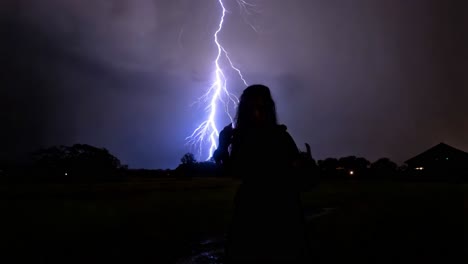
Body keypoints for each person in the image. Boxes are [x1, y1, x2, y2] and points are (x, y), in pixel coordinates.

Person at [213, 84, 314, 263]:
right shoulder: (241, 138)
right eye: (250, 109)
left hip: (282, 215)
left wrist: (305, 166)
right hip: (249, 214)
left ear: (269, 109)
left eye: (261, 108)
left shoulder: (281, 137)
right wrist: (222, 147)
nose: (256, 114)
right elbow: (235, 172)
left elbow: (304, 182)